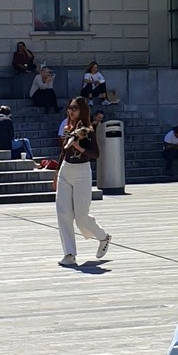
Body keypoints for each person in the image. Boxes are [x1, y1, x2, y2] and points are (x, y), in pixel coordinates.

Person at [54, 97, 111, 267]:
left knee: (81, 216)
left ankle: (103, 236)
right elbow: (63, 152)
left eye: (75, 108)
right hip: (66, 170)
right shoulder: (67, 127)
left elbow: (95, 154)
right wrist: (56, 172)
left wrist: (78, 145)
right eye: (69, 108)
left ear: (82, 110)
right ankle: (69, 253)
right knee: (63, 212)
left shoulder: (89, 130)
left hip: (82, 172)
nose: (71, 111)